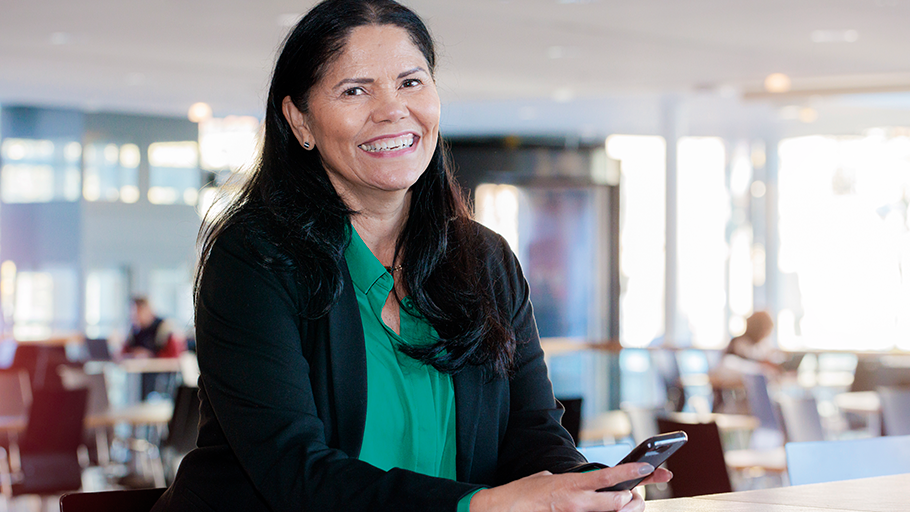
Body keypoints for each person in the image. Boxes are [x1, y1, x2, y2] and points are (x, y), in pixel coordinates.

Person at [153, 1, 670, 510]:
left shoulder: (486, 260)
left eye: (410, 82)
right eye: (355, 90)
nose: (392, 110)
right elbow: (295, 472)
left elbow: (532, 434)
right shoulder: (253, 260)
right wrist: (480, 506)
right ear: (300, 121)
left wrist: (584, 487)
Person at [121, 296, 184, 399]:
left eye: (138, 311)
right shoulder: (134, 329)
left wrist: (151, 355)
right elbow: (125, 351)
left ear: (148, 310)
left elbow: (174, 355)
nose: (135, 316)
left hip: (160, 379)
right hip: (138, 378)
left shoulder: (164, 327)